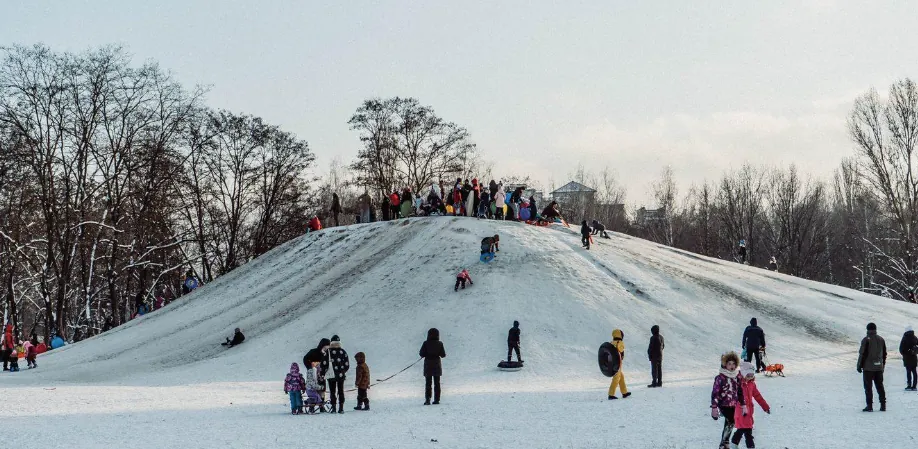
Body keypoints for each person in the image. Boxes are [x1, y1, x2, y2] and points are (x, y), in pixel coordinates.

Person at [711, 351, 745, 449]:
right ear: (725, 364)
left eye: (733, 364)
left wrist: (743, 404)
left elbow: (740, 391)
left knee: (728, 423)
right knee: (731, 421)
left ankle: (723, 444)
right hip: (723, 404)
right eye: (729, 364)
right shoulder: (720, 378)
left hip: (733, 404)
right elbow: (715, 393)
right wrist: (714, 407)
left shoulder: (737, 376)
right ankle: (725, 442)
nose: (732, 366)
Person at [732, 361, 770, 449]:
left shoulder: (751, 384)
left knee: (742, 429)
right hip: (740, 411)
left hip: (749, 411)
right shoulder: (738, 384)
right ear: (743, 374)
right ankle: (750, 446)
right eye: (748, 375)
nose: (749, 377)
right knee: (747, 430)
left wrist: (765, 406)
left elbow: (757, 396)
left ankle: (734, 443)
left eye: (751, 375)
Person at [857, 322, 887, 412]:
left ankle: (869, 406)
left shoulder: (866, 340)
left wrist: (859, 366)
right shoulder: (881, 339)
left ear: (867, 329)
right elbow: (884, 354)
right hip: (879, 367)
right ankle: (883, 405)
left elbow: (862, 354)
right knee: (880, 386)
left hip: (868, 368)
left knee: (868, 387)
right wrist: (882, 366)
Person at [322, 335, 350, 413]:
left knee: (332, 392)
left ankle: (334, 408)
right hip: (341, 375)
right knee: (341, 391)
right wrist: (342, 371)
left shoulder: (327, 352)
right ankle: (341, 408)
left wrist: (323, 373)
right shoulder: (343, 352)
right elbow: (347, 365)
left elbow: (323, 364)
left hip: (331, 375)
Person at [419, 327, 446, 405]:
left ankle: (427, 399)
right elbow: (443, 355)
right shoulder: (440, 343)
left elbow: (421, 354)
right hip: (437, 364)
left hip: (428, 364)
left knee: (428, 383)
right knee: (437, 383)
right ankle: (437, 399)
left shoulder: (425, 343)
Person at [608, 329, 631, 399]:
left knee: (621, 377)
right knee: (616, 378)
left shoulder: (611, 342)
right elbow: (621, 351)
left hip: (612, 363)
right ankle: (611, 394)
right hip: (618, 363)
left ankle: (624, 392)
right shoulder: (620, 342)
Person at [899, 326, 918, 391]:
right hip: (914, 358)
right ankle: (914, 386)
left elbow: (901, 349)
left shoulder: (904, 338)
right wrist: (915, 351)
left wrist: (904, 354)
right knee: (914, 372)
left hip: (907, 358)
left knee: (908, 372)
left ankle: (909, 386)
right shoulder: (915, 338)